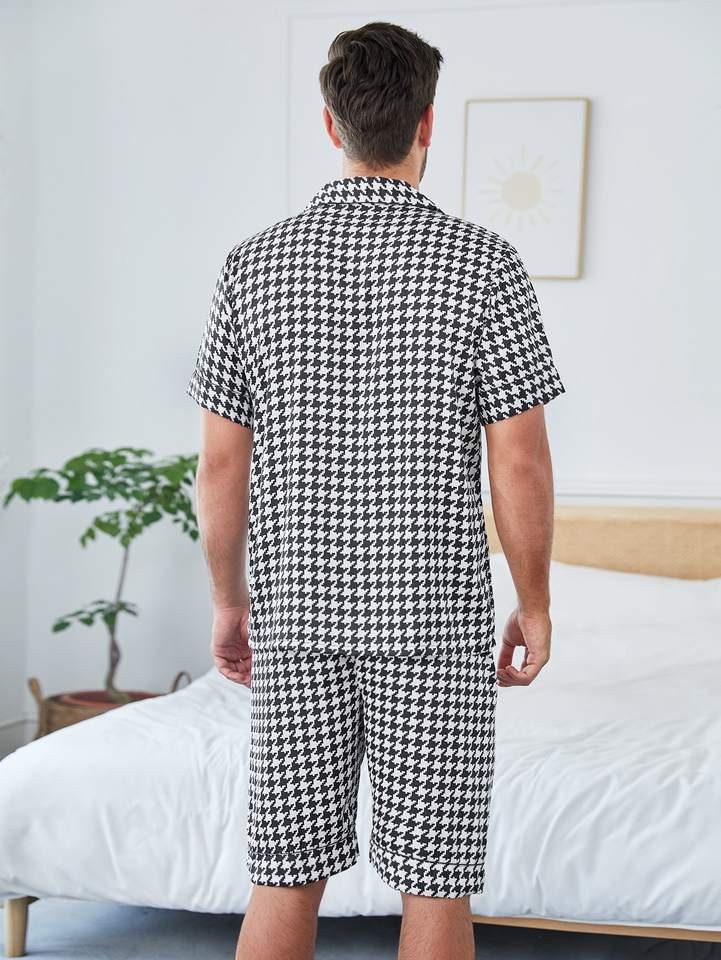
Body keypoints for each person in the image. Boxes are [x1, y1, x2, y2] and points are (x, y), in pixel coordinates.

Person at [187, 20, 565, 960]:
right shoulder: (483, 263)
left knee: (283, 875)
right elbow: (519, 460)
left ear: (331, 125)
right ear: (427, 123)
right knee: (434, 884)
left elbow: (221, 466)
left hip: (298, 613)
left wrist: (230, 601)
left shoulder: (252, 265)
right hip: (431, 621)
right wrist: (533, 602)